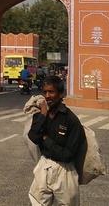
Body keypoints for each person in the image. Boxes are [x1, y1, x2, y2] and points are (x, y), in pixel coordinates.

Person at [27, 75, 85, 205]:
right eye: (45, 92)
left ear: (60, 94)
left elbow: (68, 154)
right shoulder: (40, 115)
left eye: (51, 92)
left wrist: (46, 140)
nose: (47, 96)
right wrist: (43, 113)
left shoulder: (71, 120)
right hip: (44, 165)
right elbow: (33, 137)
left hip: (64, 171)